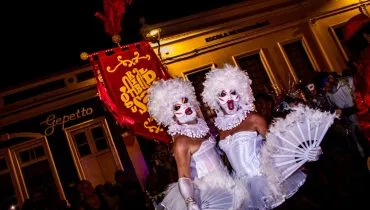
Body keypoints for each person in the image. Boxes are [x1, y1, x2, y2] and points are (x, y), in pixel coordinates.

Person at [202, 64, 322, 209]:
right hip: (241, 187)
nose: (229, 99)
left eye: (233, 92)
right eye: (222, 94)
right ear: (215, 99)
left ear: (241, 93)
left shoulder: (254, 119)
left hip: (264, 180)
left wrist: (305, 156)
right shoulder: (220, 127)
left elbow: (279, 146)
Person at [147, 78, 245, 210]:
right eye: (177, 107)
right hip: (208, 194)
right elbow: (184, 176)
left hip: (227, 185)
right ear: (171, 115)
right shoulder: (181, 141)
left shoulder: (201, 127)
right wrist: (190, 201)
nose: (185, 107)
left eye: (185, 101)